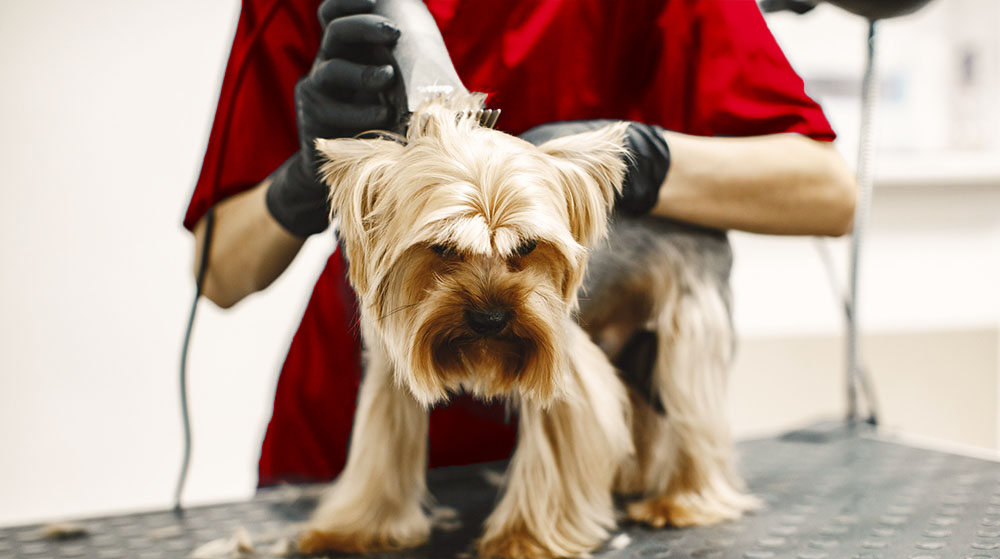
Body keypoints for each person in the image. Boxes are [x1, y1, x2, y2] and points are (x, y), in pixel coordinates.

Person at [184, 0, 856, 487]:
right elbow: (219, 272)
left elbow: (827, 190)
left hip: (574, 465)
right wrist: (302, 182)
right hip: (345, 450)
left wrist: (639, 159)